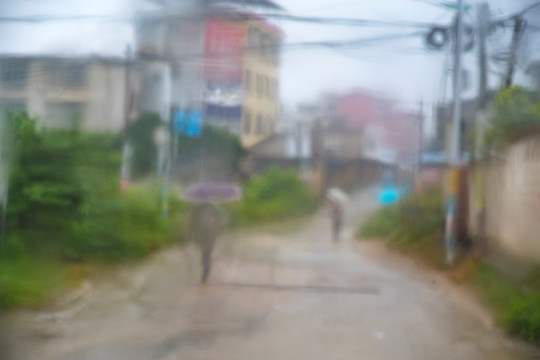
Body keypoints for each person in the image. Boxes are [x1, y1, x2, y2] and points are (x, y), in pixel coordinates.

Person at [188, 203, 222, 283]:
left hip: (210, 235)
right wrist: (191, 234)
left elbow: (218, 222)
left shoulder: (213, 209)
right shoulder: (197, 209)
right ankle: (206, 265)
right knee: (204, 252)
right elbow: (193, 222)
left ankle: (206, 267)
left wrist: (215, 227)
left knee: (207, 252)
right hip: (201, 235)